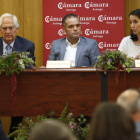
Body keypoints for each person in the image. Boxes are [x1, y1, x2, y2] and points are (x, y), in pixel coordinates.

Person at [0, 13, 35, 138]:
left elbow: (30, 68)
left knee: (20, 105)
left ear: (17, 29)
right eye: (4, 28)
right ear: (0, 30)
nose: (8, 31)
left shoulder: (27, 45)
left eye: (11, 28)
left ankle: (12, 135)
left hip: (19, 89)